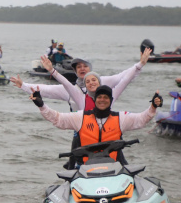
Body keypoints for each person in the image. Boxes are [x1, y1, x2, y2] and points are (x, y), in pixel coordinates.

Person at [30, 84, 163, 164]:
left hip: (114, 167)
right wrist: (41, 105)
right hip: (85, 168)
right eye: (99, 97)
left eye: (106, 97)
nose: (102, 100)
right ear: (95, 100)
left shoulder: (121, 118)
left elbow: (142, 119)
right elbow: (57, 119)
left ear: (110, 100)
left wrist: (153, 107)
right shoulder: (81, 116)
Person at [10, 46, 153, 112]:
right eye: (79, 67)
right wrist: (23, 85)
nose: (82, 69)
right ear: (75, 71)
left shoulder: (104, 82)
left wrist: (140, 64)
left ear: (90, 69)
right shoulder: (70, 90)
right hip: (80, 129)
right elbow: (45, 90)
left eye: (85, 66)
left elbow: (125, 77)